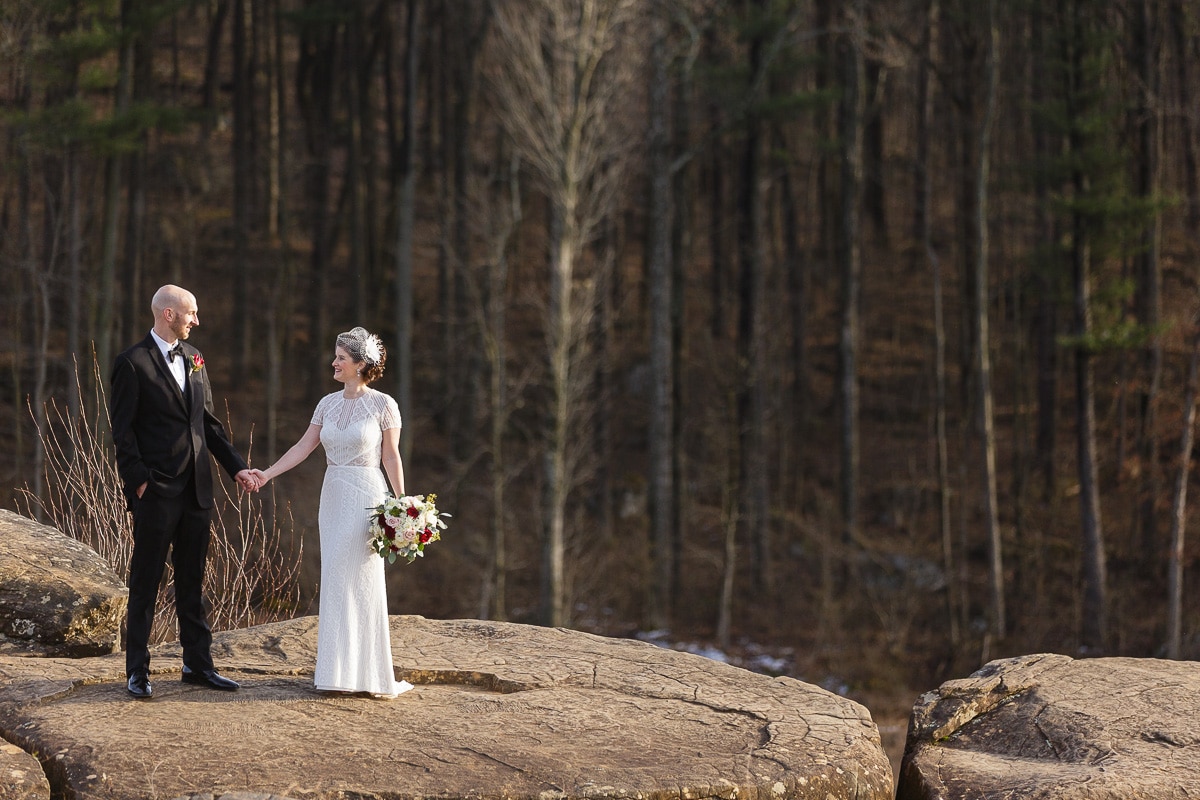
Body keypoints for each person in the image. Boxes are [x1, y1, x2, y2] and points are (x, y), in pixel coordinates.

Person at [110, 284, 258, 699]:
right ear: (169, 314)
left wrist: (238, 469)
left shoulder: (194, 359)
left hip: (197, 489)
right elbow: (122, 433)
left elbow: (207, 424)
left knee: (192, 580)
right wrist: (139, 482)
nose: (197, 320)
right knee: (146, 582)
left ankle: (198, 665)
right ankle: (136, 672)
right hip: (155, 491)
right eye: (192, 313)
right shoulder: (131, 362)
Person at [250, 327, 414, 698]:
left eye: (341, 357)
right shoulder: (326, 403)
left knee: (363, 577)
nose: (334, 362)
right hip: (334, 492)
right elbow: (304, 447)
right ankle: (336, 673)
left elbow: (390, 456)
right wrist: (268, 473)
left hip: (369, 494)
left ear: (361, 363)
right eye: (335, 356)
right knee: (337, 575)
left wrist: (404, 505)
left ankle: (369, 675)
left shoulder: (384, 404)